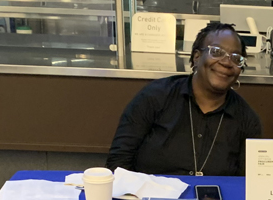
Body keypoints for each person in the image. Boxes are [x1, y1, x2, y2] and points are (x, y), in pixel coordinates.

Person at [106, 22, 262, 176]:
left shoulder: (246, 120)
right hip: (151, 198)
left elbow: (249, 183)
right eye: (216, 52)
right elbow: (118, 163)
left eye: (236, 58)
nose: (227, 62)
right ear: (196, 57)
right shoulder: (154, 97)